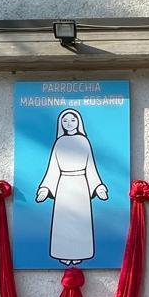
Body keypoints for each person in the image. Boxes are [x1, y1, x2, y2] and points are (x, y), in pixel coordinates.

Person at [35, 108, 108, 264]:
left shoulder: (84, 141)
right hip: (63, 186)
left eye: (72, 120)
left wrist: (98, 187)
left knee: (80, 220)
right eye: (65, 120)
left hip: (81, 185)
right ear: (61, 123)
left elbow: (91, 167)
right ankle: (63, 253)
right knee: (64, 221)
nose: (69, 123)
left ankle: (80, 253)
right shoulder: (59, 142)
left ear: (78, 122)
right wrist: (45, 188)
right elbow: (53, 168)